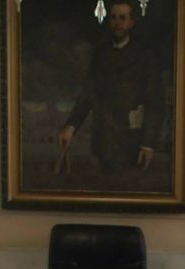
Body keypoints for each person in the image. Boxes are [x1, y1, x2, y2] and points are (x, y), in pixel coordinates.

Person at [56, 1, 168, 175]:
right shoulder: (101, 54)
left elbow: (155, 102)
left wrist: (148, 144)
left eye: (123, 18)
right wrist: (70, 127)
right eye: (114, 17)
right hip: (104, 144)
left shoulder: (145, 56)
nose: (117, 23)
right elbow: (87, 94)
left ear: (131, 23)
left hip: (133, 144)